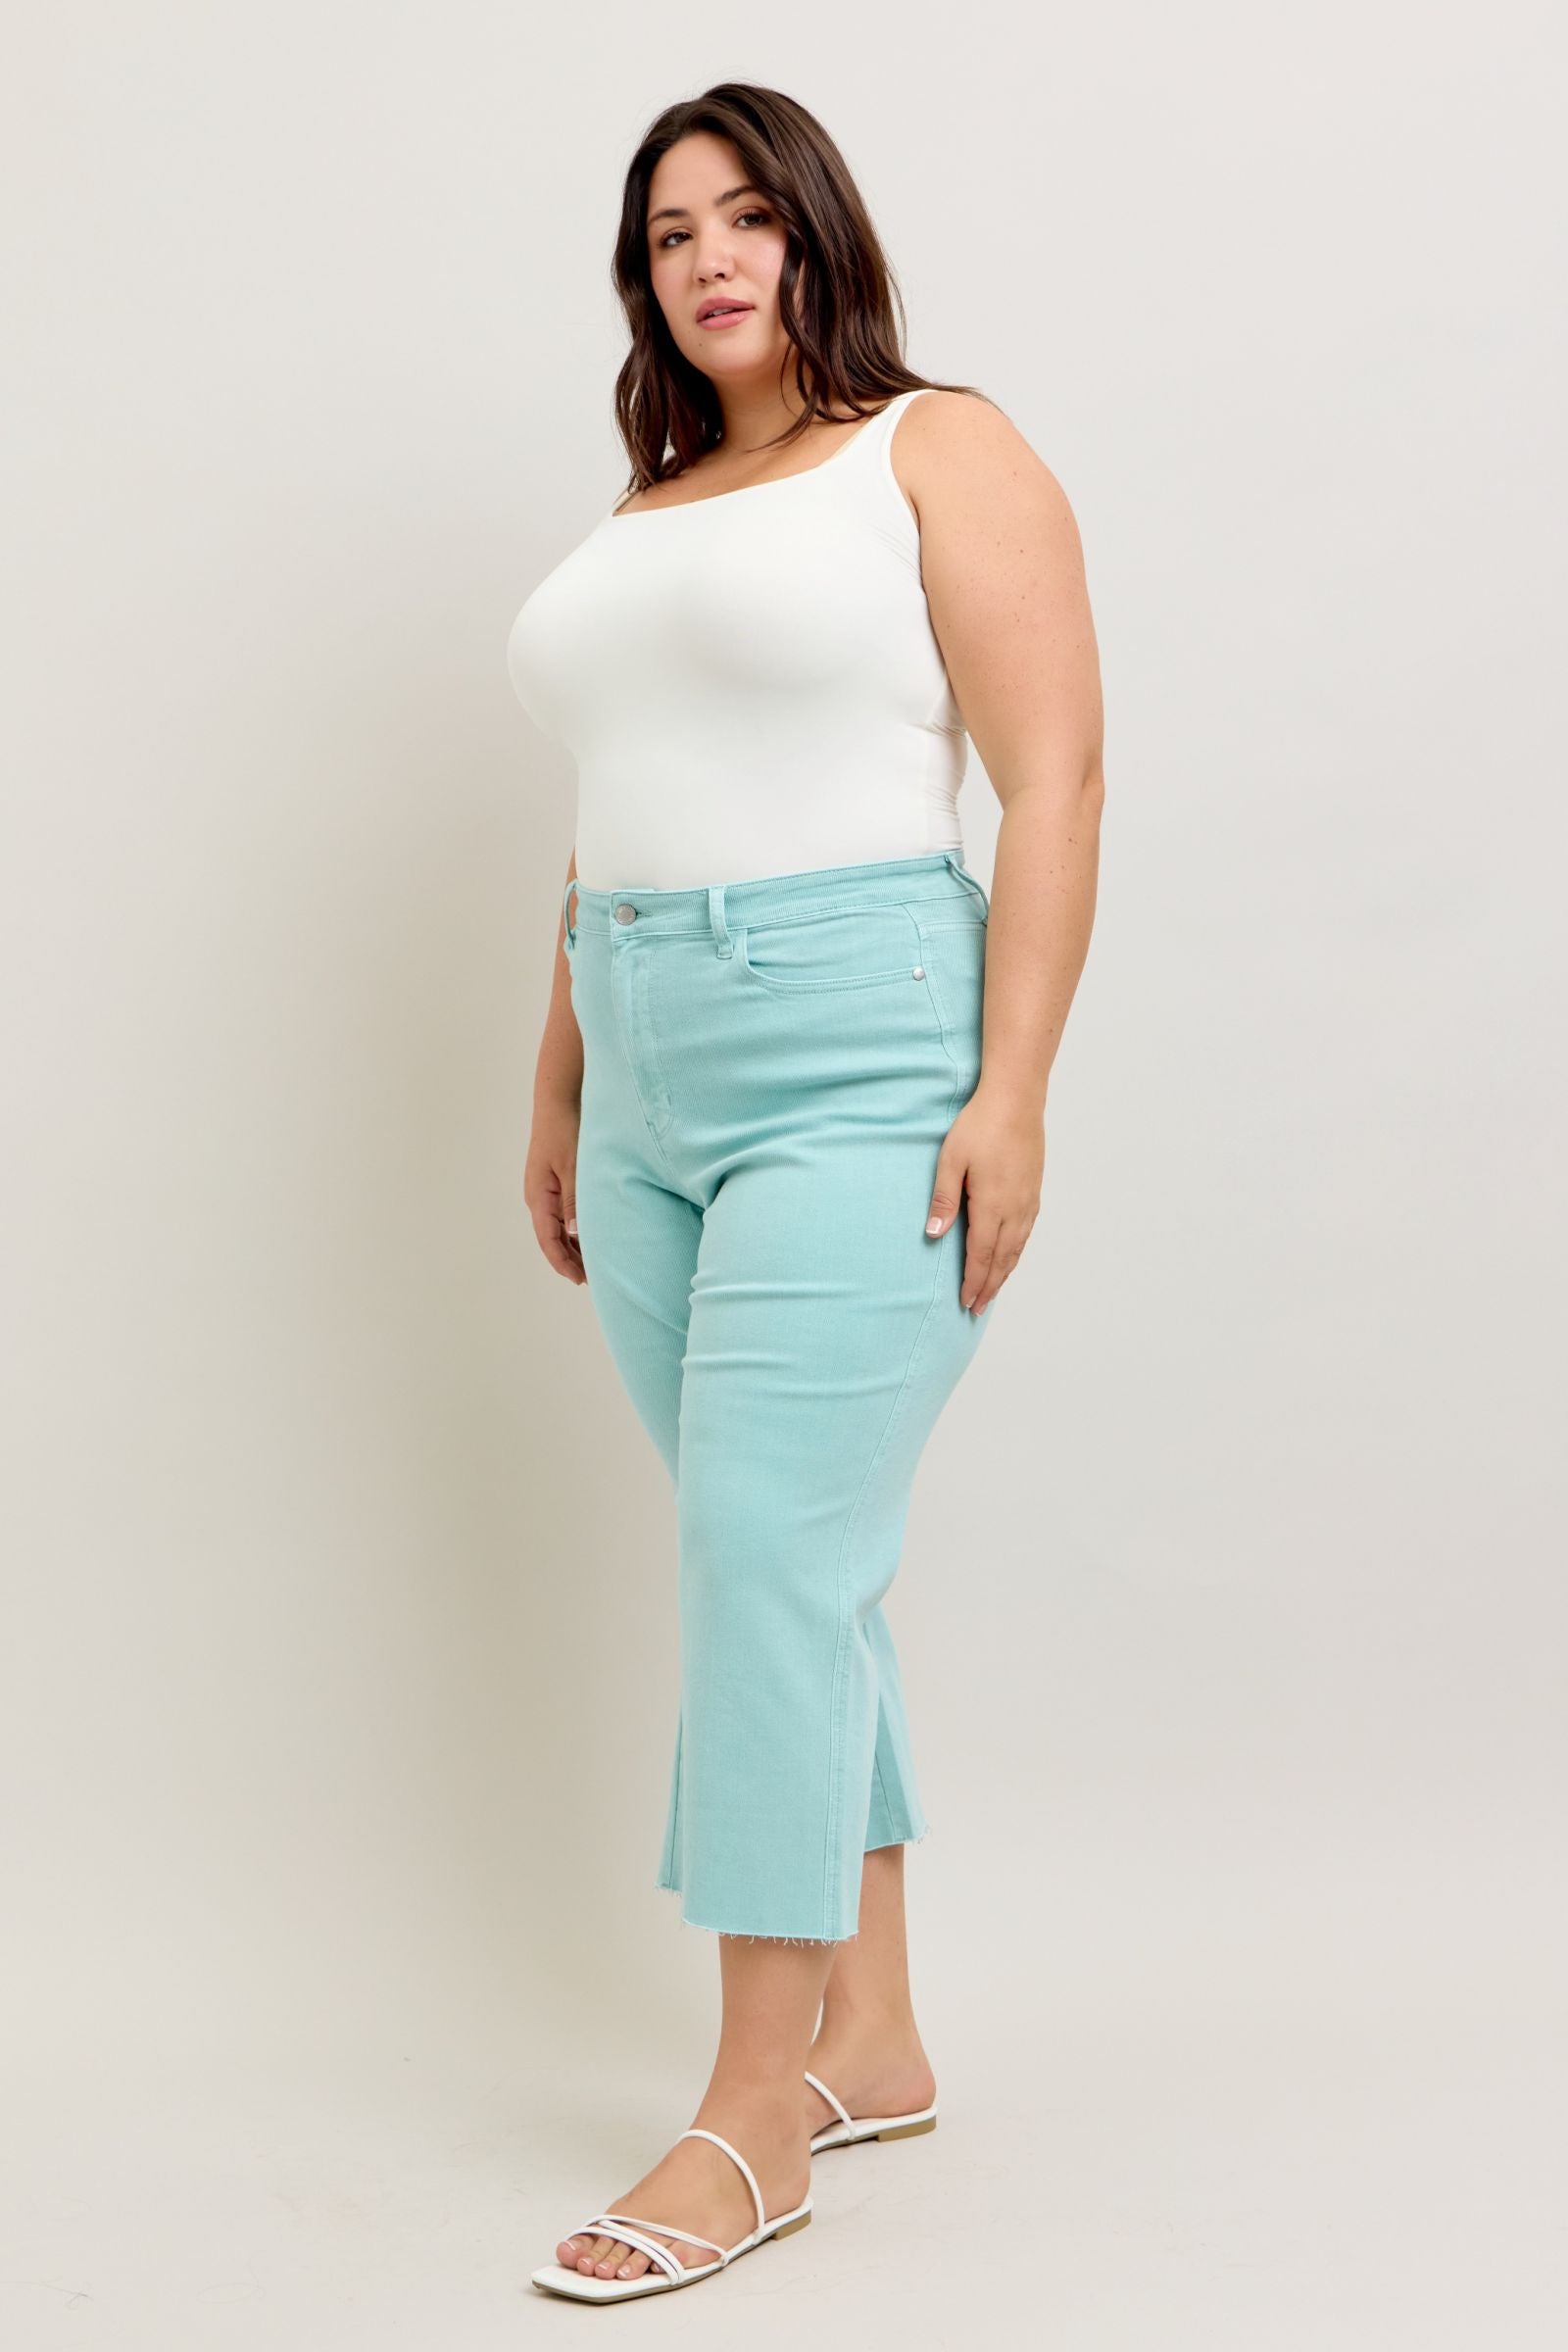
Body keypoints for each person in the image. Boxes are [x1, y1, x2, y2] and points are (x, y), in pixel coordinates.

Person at [508, 81, 1103, 2304]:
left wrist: (1013, 1088)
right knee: (788, 1563)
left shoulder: (936, 446)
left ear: (816, 233)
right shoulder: (655, 500)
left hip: (861, 1047)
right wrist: (562, 1071)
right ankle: (878, 2036)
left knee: (760, 1548)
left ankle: (752, 2109)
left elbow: (1055, 772)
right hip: (639, 1059)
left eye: (745, 216)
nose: (709, 259)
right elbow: (616, 798)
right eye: (669, 233)